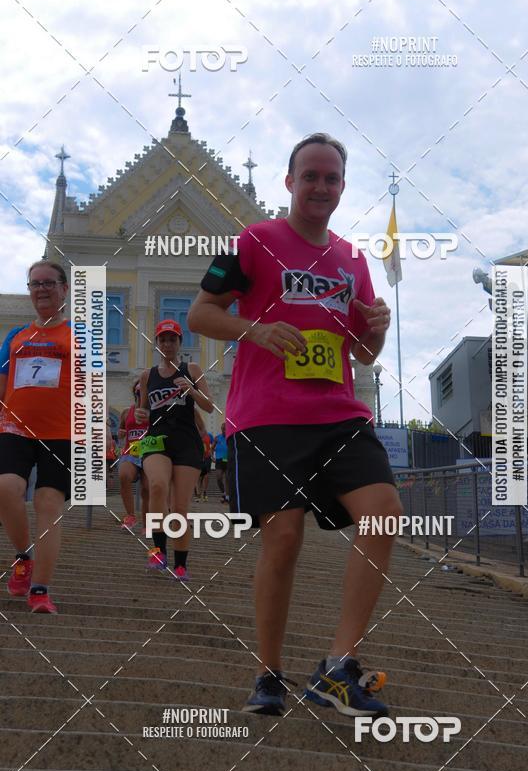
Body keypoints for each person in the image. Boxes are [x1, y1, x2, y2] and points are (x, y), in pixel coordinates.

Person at [188, 132, 403, 718]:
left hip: (339, 414)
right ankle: (269, 673)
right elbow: (200, 314)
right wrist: (255, 330)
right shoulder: (253, 241)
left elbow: (363, 353)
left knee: (384, 510)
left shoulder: (352, 259)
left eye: (331, 178)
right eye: (310, 175)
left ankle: (338, 667)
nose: (321, 186)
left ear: (342, 187)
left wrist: (377, 327)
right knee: (283, 538)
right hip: (268, 416)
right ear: (289, 182)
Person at [0, 261, 72, 614]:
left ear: (64, 289)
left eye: (49, 283)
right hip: (14, 427)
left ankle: (40, 590)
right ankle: (23, 556)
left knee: (48, 503)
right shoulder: (15, 336)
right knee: (5, 488)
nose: (41, 289)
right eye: (35, 284)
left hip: (62, 433)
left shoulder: (80, 336)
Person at [136, 319, 214, 580]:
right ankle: (158, 552)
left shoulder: (191, 369)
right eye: (163, 339)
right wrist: (140, 414)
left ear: (180, 342)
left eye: (172, 339)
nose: (167, 344)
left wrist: (191, 390)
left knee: (179, 507)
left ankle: (181, 564)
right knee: (157, 486)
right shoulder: (147, 375)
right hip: (157, 440)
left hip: (186, 442)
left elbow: (209, 406)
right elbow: (144, 410)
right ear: (156, 343)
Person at [118, 380, 149, 531]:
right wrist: (121, 433)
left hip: (149, 452)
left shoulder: (155, 411)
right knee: (124, 475)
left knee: (147, 489)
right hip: (131, 451)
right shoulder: (126, 412)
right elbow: (121, 429)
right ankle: (130, 516)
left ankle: (147, 523)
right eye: (139, 392)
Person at [212, 423, 228, 502]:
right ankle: (223, 492)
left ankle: (227, 496)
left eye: (225, 429)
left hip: (228, 459)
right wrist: (212, 457)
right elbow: (212, 448)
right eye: (222, 429)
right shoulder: (217, 438)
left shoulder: (230, 437)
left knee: (228, 478)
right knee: (219, 477)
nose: (224, 430)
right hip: (219, 459)